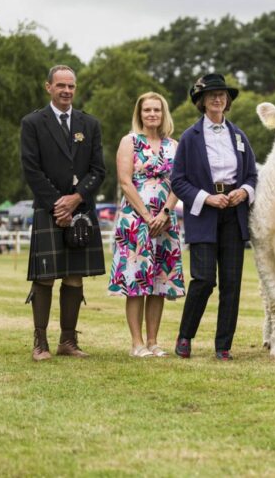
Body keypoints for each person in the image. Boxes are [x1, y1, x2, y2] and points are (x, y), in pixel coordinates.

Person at [20, 65, 106, 361]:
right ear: (49, 87)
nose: (67, 91)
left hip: (81, 209)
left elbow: (98, 169)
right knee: (45, 276)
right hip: (48, 209)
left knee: (74, 276)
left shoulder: (89, 124)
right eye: (61, 86)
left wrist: (77, 198)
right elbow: (31, 169)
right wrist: (59, 204)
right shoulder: (32, 123)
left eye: (71, 86)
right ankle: (40, 342)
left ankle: (67, 341)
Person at [171, 74, 258, 361]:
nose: (217, 99)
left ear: (227, 100)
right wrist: (206, 198)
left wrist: (244, 192)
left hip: (234, 214)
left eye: (221, 94)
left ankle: (223, 346)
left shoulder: (239, 136)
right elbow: (178, 181)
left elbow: (251, 176)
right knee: (205, 279)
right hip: (204, 214)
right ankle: (185, 336)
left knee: (231, 282)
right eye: (211, 95)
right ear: (202, 102)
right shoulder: (189, 137)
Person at [108, 92, 185, 357]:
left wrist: (165, 213)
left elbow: (179, 182)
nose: (152, 114)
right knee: (136, 281)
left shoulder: (174, 145)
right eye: (147, 110)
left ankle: (153, 341)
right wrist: (147, 215)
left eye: (157, 110)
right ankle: (136, 343)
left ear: (163, 114)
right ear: (139, 114)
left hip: (165, 220)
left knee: (159, 282)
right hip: (135, 220)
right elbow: (125, 181)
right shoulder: (129, 142)